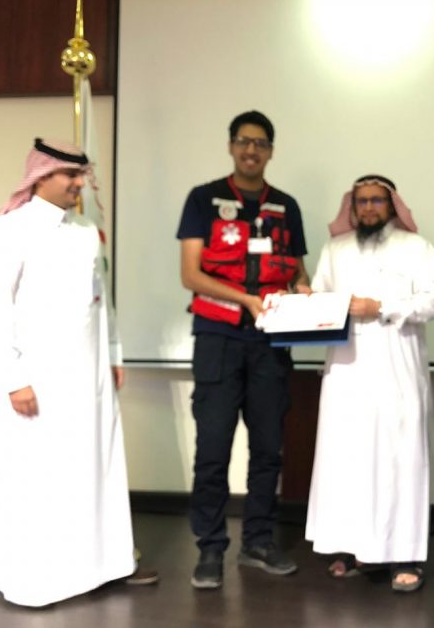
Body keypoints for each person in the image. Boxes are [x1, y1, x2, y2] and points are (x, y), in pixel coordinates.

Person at [0, 138, 156, 608]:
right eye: (70, 175)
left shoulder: (85, 231)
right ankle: (38, 580)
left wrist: (113, 354)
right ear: (41, 176)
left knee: (95, 467)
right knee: (41, 475)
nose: (79, 184)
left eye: (81, 175)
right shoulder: (8, 231)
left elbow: (102, 300)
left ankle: (102, 567)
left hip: (90, 377)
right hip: (39, 380)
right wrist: (14, 379)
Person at [177, 111, 310, 588]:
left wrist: (306, 296)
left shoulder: (286, 206)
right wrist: (245, 300)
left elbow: (297, 272)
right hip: (218, 338)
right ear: (231, 146)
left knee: (269, 449)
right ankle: (210, 548)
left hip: (271, 342)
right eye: (243, 141)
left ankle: (258, 541)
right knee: (213, 449)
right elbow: (190, 274)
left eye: (260, 143)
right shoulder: (203, 199)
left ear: (271, 151)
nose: (251, 150)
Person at [305, 175, 434, 593]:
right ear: (352, 207)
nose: (368, 208)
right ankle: (351, 549)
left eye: (377, 200)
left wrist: (378, 307)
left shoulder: (416, 247)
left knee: (400, 460)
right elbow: (318, 299)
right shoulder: (334, 249)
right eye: (361, 201)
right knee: (347, 459)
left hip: (398, 370)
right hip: (345, 371)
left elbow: (433, 301)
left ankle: (405, 556)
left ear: (392, 205)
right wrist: (304, 298)